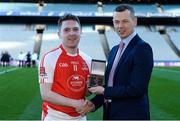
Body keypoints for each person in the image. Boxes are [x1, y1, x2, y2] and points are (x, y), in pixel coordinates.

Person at [77, 4, 154, 120]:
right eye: (116, 22)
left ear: (135, 22)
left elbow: (137, 89)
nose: (120, 26)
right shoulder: (113, 50)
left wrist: (104, 90)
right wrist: (94, 103)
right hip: (110, 115)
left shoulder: (142, 48)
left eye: (125, 21)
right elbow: (110, 85)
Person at [38, 13, 91, 121]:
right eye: (66, 30)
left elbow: (86, 93)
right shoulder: (49, 57)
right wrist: (75, 103)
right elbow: (46, 94)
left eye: (75, 29)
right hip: (54, 117)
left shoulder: (88, 59)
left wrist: (88, 88)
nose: (72, 33)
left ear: (81, 32)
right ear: (59, 34)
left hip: (80, 117)